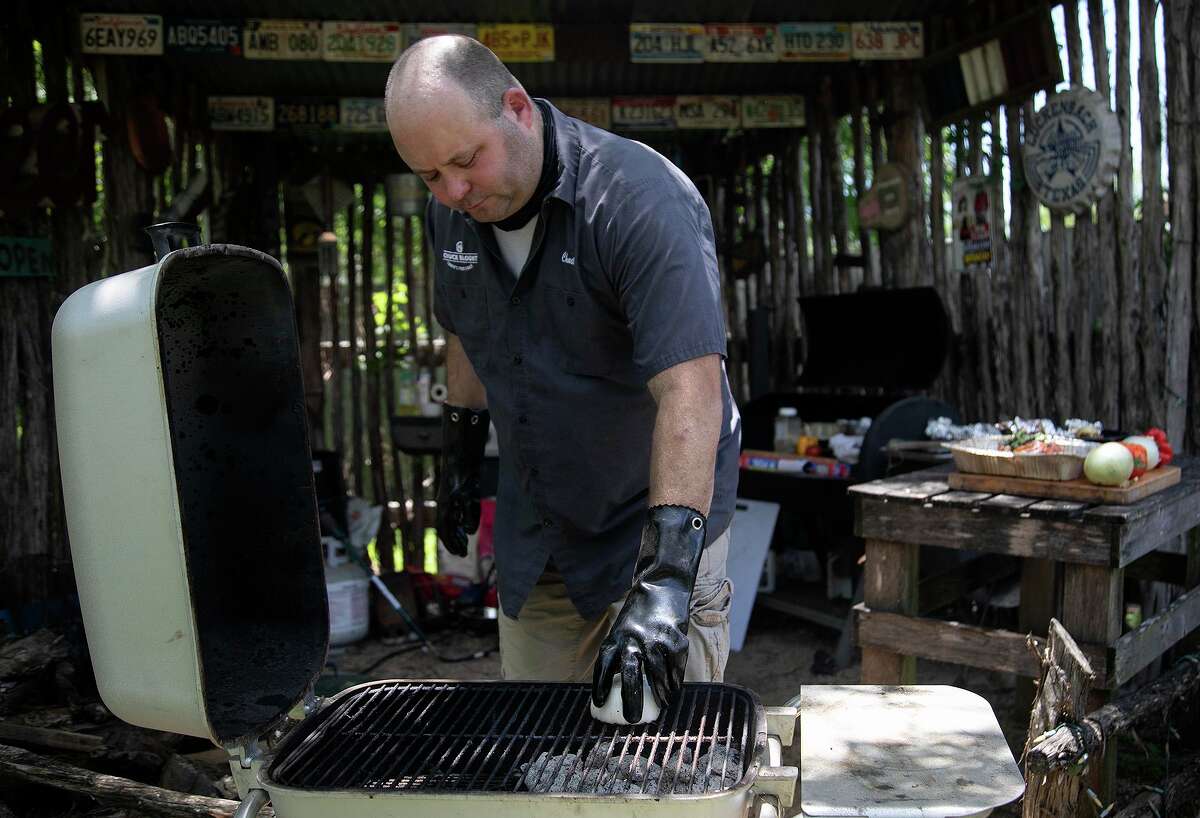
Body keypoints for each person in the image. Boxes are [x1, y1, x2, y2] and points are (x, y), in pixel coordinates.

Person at [384, 35, 741, 723]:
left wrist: (667, 578)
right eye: (430, 175)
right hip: (541, 521)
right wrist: (461, 454)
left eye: (464, 161)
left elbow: (690, 390)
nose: (453, 191)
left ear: (517, 109)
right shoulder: (451, 216)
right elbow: (462, 326)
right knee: (537, 741)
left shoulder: (640, 200)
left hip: (655, 515)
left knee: (657, 751)